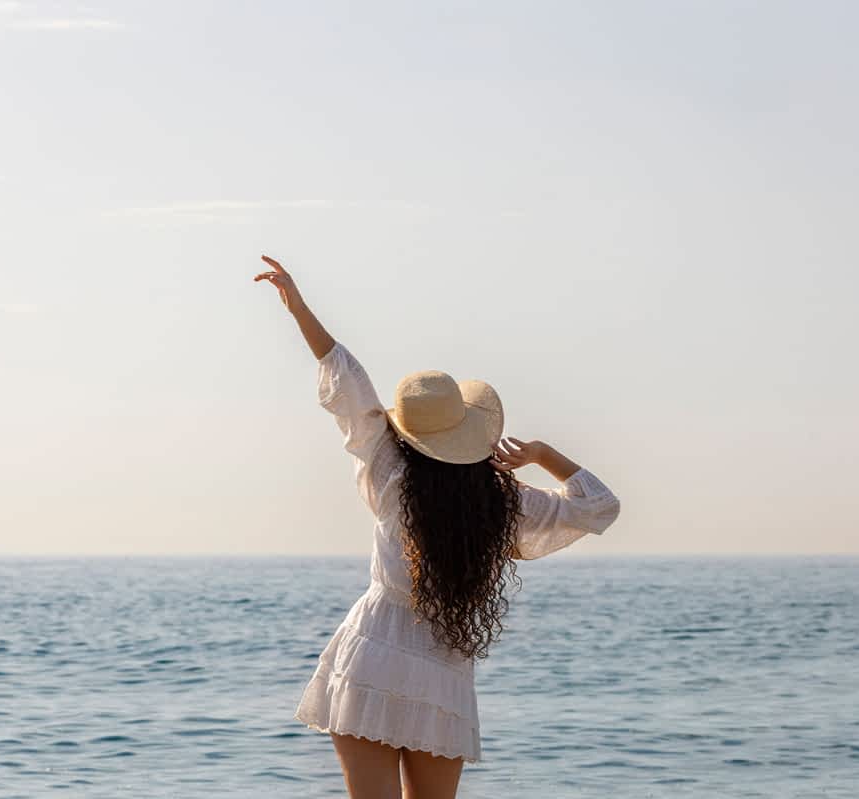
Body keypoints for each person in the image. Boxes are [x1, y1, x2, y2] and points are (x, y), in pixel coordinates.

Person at [254, 255, 622, 799]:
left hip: (374, 648)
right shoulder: (502, 505)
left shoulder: (389, 469)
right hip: (443, 665)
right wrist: (544, 454)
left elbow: (347, 381)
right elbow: (599, 507)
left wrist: (299, 307)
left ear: (409, 431)